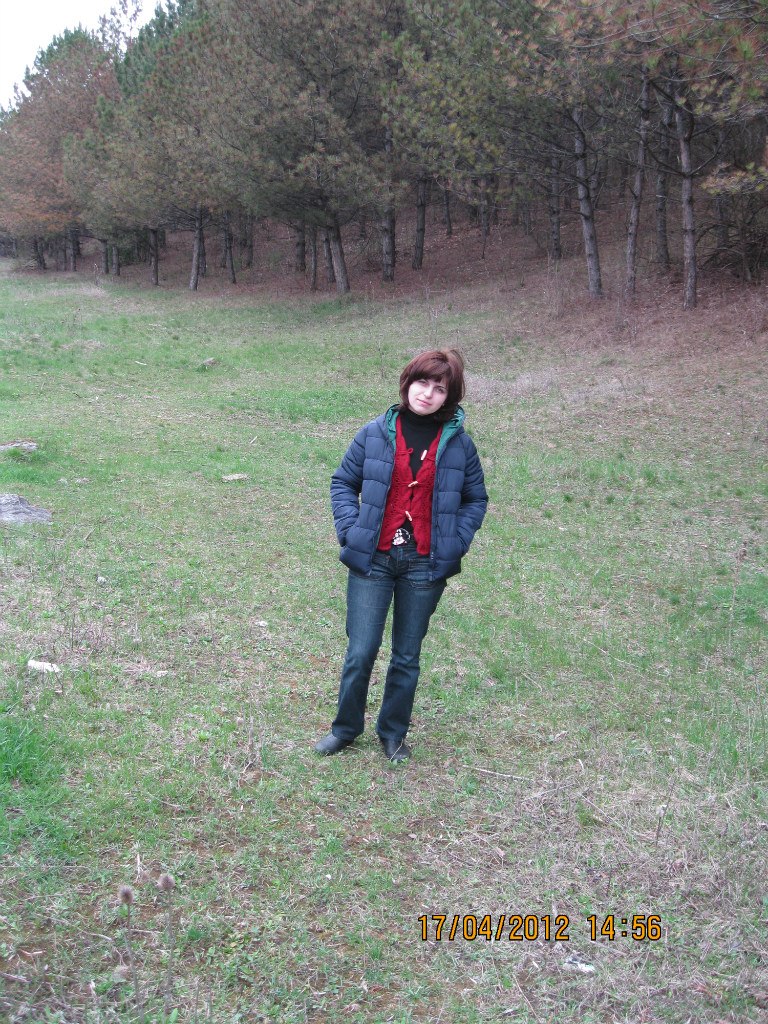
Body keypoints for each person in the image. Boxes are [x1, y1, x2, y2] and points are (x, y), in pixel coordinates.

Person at [314, 349, 488, 762]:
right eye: (421, 382)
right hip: (373, 559)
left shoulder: (460, 446)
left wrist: (456, 541)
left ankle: (392, 734)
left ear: (449, 396)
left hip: (425, 564)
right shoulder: (374, 433)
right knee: (361, 651)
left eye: (439, 388)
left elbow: (475, 499)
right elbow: (343, 482)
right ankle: (345, 730)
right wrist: (351, 530)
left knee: (407, 656)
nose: (427, 393)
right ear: (407, 383)